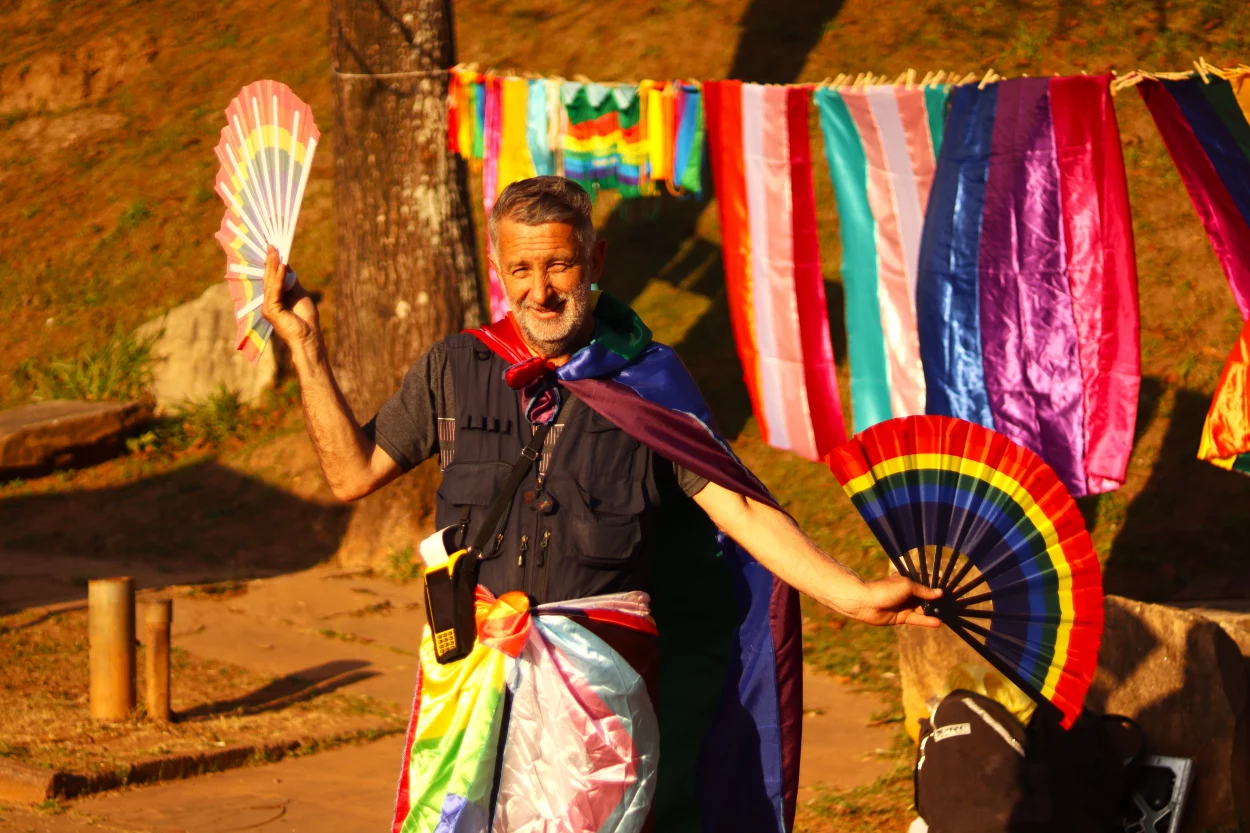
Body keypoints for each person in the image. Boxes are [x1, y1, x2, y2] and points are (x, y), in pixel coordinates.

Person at [262, 175, 941, 833]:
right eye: (522, 268)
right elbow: (352, 474)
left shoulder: (649, 380)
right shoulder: (454, 367)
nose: (541, 289)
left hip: (598, 690)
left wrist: (853, 597)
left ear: (595, 259)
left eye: (559, 264)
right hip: (465, 675)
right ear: (499, 266)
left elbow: (739, 508)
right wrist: (307, 347)